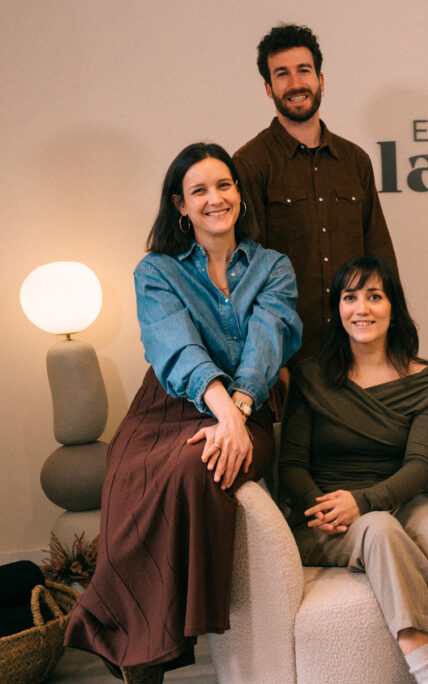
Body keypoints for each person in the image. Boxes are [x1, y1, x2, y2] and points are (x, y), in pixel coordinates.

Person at [64, 143, 302, 682]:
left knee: (196, 467)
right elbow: (177, 347)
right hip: (164, 409)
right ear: (180, 204)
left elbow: (267, 344)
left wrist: (238, 411)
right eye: (199, 190)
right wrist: (224, 415)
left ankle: (147, 647)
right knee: (136, 479)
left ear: (239, 193)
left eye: (224, 185)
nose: (215, 199)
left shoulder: (273, 267)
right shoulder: (157, 270)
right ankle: (140, 651)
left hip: (248, 405)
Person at [279, 255, 428, 684]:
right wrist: (324, 508)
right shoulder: (310, 377)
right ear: (337, 308)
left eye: (374, 296)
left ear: (393, 307)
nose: (361, 308)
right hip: (327, 510)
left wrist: (364, 501)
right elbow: (290, 465)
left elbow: (418, 466)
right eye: (350, 297)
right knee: (381, 529)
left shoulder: (424, 378)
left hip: (405, 497)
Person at [234, 23, 396, 365]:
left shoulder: (355, 161)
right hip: (288, 357)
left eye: (304, 70)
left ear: (321, 80)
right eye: (282, 74)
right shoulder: (249, 164)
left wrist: (390, 343)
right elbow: (244, 276)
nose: (295, 83)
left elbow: (381, 258)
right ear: (268, 88)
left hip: (357, 351)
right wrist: (268, 362)